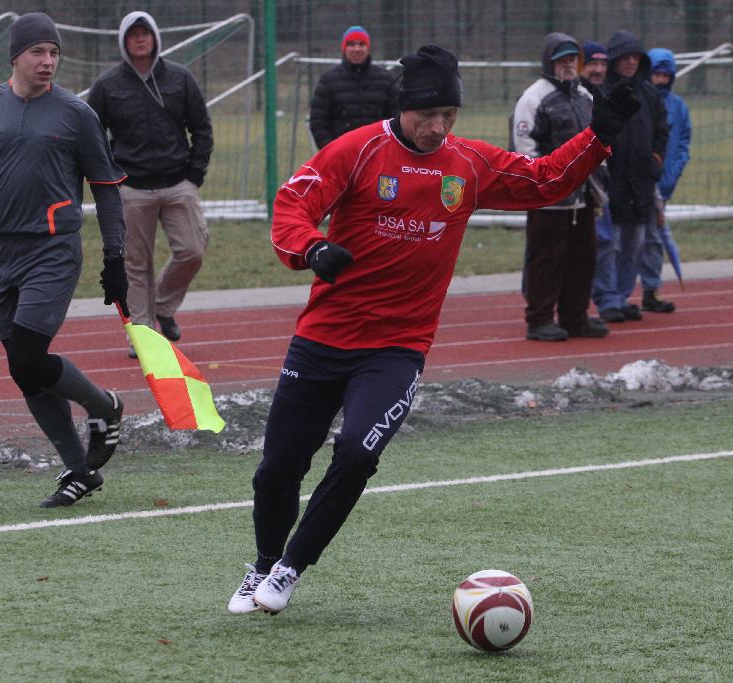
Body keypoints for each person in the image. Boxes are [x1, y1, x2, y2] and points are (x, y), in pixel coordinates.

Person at [226, 44, 639, 615]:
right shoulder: (357, 150)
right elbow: (292, 203)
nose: (438, 127)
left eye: (449, 115)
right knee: (277, 470)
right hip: (322, 339)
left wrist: (600, 135)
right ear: (403, 106)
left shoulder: (467, 163)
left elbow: (544, 180)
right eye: (428, 115)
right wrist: (312, 248)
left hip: (396, 349)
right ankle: (263, 563)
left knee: (357, 453)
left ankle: (291, 566)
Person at [0, 13, 128, 507]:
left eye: (54, 52)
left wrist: (115, 257)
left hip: (53, 250)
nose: (48, 61)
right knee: (23, 368)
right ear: (15, 56)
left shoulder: (76, 113)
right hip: (1, 252)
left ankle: (104, 406)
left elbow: (107, 190)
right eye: (38, 52)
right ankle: (80, 471)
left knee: (29, 356)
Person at [88, 11, 213, 356]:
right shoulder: (108, 85)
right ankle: (142, 336)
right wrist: (111, 178)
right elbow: (91, 133)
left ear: (155, 37)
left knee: (192, 250)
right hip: (131, 188)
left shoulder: (180, 78)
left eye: (145, 33)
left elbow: (202, 128)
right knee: (135, 263)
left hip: (178, 183)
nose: (140, 39)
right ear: (124, 41)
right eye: (133, 34)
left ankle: (163, 305)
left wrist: (194, 175)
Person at [511, 32, 609, 341]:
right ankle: (539, 319)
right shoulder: (532, 99)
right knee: (546, 260)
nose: (568, 65)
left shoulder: (585, 96)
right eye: (562, 60)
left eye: (572, 59)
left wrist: (599, 178)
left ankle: (575, 317)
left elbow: (598, 139)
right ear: (549, 62)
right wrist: (550, 181)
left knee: (583, 259)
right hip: (548, 199)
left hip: (584, 196)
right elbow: (524, 150)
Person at [591, 31, 669, 323]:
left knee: (635, 245)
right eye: (624, 57)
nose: (631, 62)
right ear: (613, 60)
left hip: (641, 181)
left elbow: (662, 130)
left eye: (635, 57)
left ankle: (622, 295)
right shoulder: (601, 93)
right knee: (609, 244)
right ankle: (607, 297)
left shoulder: (649, 94)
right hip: (611, 180)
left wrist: (656, 159)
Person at [638, 47, 692, 313]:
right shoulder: (639, 101)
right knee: (629, 239)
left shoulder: (678, 106)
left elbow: (683, 143)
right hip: (639, 183)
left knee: (654, 239)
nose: (661, 80)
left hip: (663, 185)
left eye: (666, 76)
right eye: (656, 74)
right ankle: (613, 293)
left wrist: (671, 175)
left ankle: (651, 289)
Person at [308, 25, 398, 150]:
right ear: (344, 48)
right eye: (351, 44)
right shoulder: (328, 81)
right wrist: (332, 151)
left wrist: (386, 149)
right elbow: (318, 122)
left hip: (378, 153)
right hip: (342, 154)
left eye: (361, 44)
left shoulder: (386, 79)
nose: (357, 49)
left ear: (368, 48)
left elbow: (397, 118)